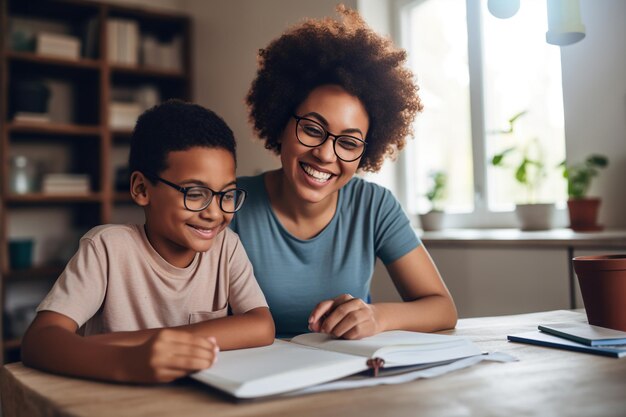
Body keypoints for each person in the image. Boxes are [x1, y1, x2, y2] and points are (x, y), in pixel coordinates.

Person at [230, 6, 457, 339]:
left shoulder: (374, 206)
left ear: (366, 152)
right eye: (311, 128)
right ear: (280, 125)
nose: (324, 154)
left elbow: (443, 309)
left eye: (349, 143)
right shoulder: (230, 202)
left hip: (348, 379)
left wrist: (377, 317)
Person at [21, 100, 275, 383]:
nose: (214, 213)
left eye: (226, 195)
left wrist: (156, 343)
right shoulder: (106, 248)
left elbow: (261, 326)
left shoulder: (226, 246)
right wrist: (129, 360)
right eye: (194, 193)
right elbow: (39, 340)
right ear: (142, 189)